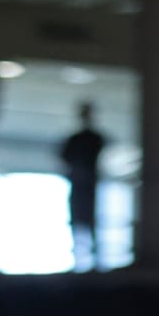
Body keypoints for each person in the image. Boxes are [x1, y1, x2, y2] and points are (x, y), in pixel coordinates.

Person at [59, 103, 106, 270]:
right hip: (79, 184)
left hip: (88, 184)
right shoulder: (76, 139)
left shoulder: (93, 138)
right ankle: (79, 259)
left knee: (89, 219)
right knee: (77, 218)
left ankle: (93, 259)